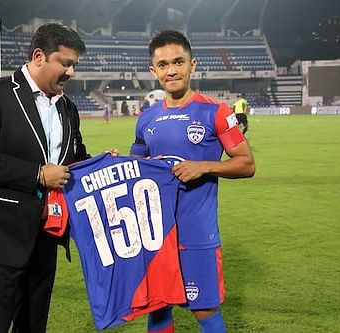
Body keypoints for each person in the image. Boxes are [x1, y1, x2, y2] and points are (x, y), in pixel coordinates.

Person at [0, 23, 90, 333]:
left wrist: (99, 163)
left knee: (33, 327)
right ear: (40, 56)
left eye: (74, 65)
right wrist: (37, 174)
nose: (71, 72)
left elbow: (75, 156)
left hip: (46, 235)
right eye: (66, 63)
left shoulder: (68, 108)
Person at [130, 30, 255, 333]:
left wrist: (204, 167)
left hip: (197, 233)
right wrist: (116, 160)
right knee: (158, 308)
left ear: (192, 64)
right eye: (162, 65)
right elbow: (138, 168)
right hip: (156, 234)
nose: (171, 70)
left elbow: (247, 164)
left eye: (178, 62)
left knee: (205, 310)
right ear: (153, 71)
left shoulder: (215, 112)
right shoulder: (146, 119)